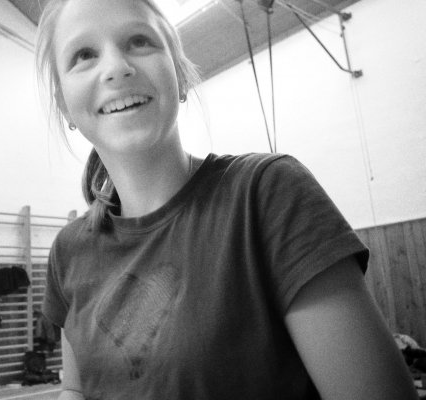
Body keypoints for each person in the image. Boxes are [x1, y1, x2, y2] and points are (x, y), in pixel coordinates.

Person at [34, 0, 418, 399]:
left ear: (180, 75)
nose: (116, 67)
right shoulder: (68, 250)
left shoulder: (267, 194)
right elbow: (75, 389)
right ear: (65, 105)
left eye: (139, 41)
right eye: (84, 54)